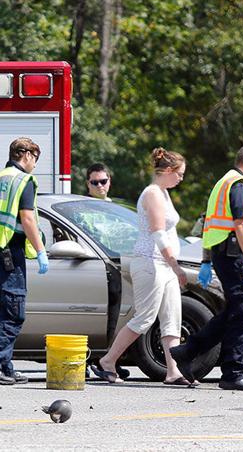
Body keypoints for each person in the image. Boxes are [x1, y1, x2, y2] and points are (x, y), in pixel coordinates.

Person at [90, 148, 192, 386]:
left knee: (172, 318)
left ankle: (173, 371)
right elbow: (158, 233)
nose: (181, 178)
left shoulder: (164, 193)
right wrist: (176, 266)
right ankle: (107, 362)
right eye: (180, 174)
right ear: (167, 171)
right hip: (150, 263)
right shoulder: (153, 194)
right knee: (145, 318)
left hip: (163, 265)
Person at [170, 144, 243, 391]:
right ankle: (232, 373)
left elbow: (207, 223)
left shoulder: (222, 183)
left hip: (223, 255)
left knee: (236, 311)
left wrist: (205, 261)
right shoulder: (239, 184)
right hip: (234, 256)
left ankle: (187, 351)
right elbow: (240, 223)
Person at [0, 138, 49, 385]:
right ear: (26, 154)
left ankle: (5, 366)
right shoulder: (23, 181)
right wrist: (40, 250)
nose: (36, 165)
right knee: (13, 312)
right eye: (36, 159)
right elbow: (27, 219)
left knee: (0, 309)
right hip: (10, 250)